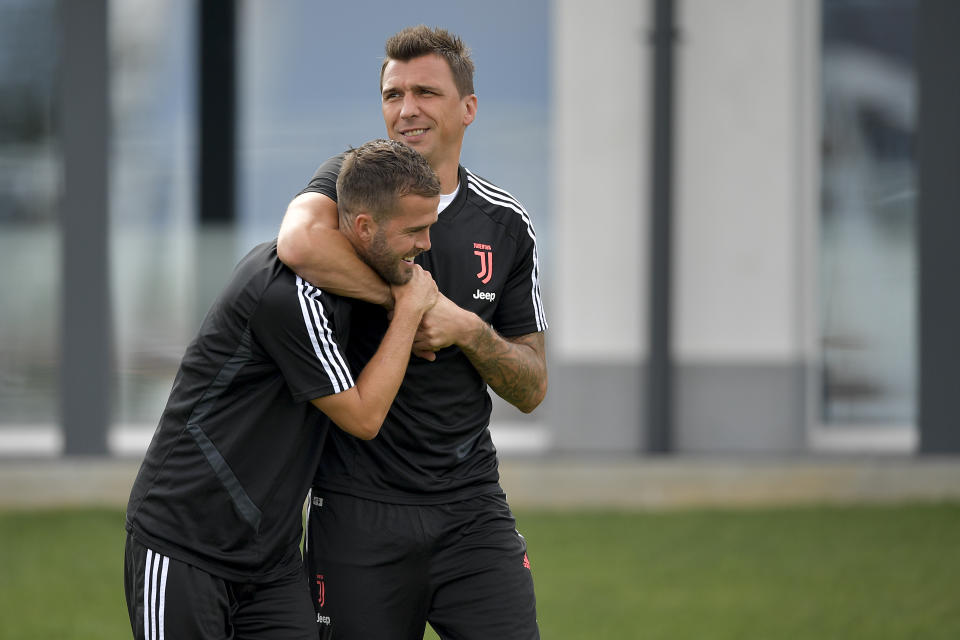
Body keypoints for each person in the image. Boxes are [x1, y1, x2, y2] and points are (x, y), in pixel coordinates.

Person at [277, 25, 548, 639]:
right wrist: (409, 302)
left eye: (425, 91)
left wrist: (467, 331)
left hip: (471, 507)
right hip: (356, 509)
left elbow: (532, 387)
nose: (406, 110)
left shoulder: (505, 223)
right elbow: (297, 242)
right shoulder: (353, 184)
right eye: (392, 93)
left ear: (468, 108)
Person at [123, 139, 441, 640]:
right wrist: (406, 310)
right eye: (415, 231)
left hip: (270, 561)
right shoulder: (288, 296)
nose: (425, 245)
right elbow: (363, 417)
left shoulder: (348, 274)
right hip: (184, 543)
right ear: (362, 227)